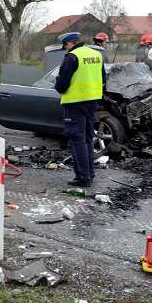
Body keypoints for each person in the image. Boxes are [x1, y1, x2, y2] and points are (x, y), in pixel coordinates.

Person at [54, 32, 106, 187]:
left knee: (76, 139)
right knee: (88, 138)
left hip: (75, 103)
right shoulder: (96, 55)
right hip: (92, 102)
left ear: (68, 44)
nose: (66, 50)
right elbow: (103, 78)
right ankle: (89, 173)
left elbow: (62, 85)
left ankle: (83, 177)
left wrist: (57, 82)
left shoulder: (72, 57)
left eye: (66, 47)